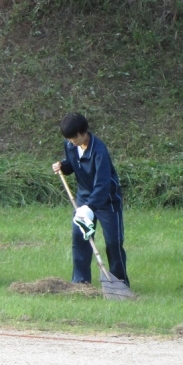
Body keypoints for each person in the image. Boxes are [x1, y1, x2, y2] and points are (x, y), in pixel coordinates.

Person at [52, 112, 128, 286]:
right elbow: (73, 164)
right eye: (68, 138)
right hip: (83, 198)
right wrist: (63, 166)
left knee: (113, 243)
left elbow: (102, 184)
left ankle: (119, 282)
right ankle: (81, 282)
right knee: (80, 238)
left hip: (107, 200)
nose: (71, 141)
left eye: (74, 137)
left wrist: (90, 207)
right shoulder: (70, 145)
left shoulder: (99, 151)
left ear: (83, 132)